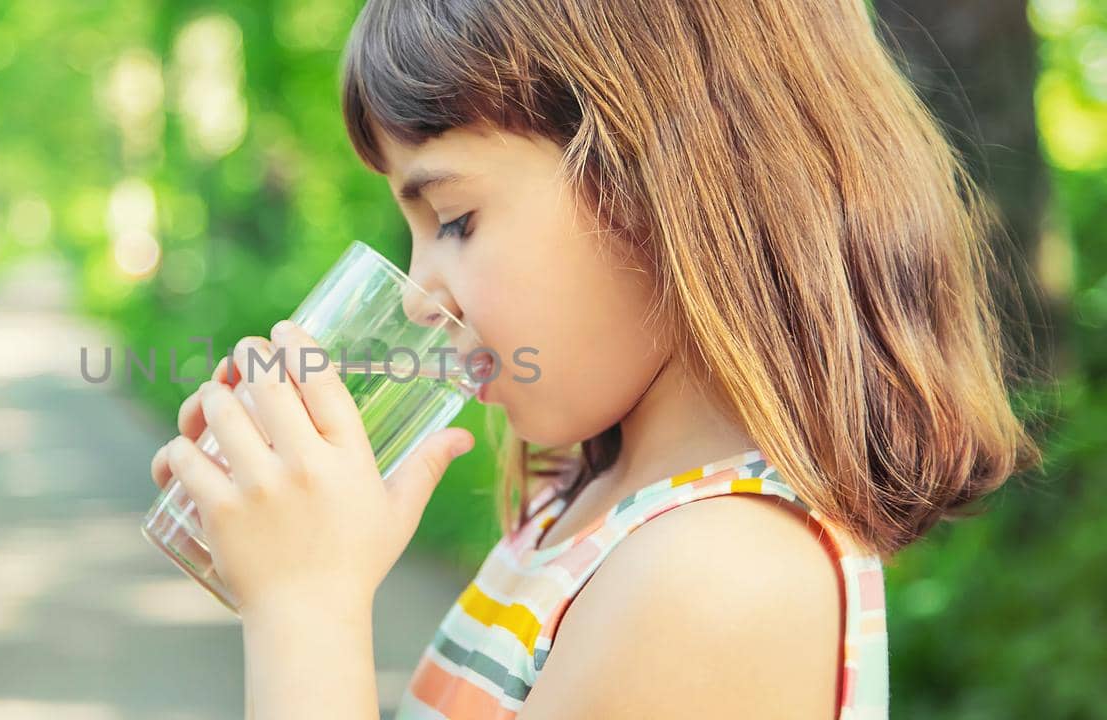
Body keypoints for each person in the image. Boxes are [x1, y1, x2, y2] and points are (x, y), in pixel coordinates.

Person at [150, 0, 1040, 717]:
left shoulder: (720, 579)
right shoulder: (582, 511)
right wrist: (298, 557)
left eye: (455, 218)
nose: (427, 292)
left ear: (670, 180)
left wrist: (306, 613)